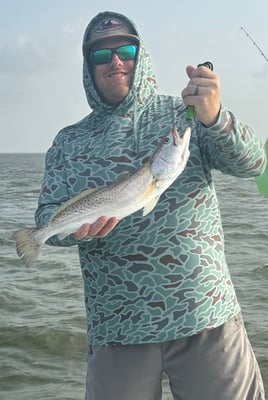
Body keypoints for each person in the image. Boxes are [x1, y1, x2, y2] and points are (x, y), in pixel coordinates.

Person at [35, 11, 266, 400]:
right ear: (88, 66)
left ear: (140, 56)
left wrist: (216, 118)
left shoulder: (185, 116)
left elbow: (254, 163)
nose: (116, 62)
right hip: (117, 329)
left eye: (125, 50)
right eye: (101, 55)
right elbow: (46, 217)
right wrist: (68, 234)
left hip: (204, 314)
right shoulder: (68, 142)